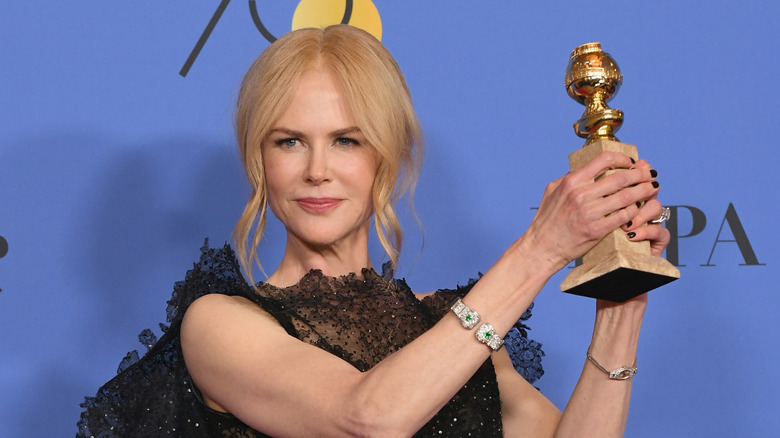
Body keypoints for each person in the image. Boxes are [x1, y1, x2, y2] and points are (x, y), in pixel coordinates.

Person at [78, 24, 669, 437]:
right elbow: (368, 419)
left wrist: (623, 305)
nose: (316, 170)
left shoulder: (456, 330)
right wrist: (541, 248)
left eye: (346, 140)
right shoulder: (222, 325)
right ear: (259, 161)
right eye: (289, 141)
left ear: (384, 158)